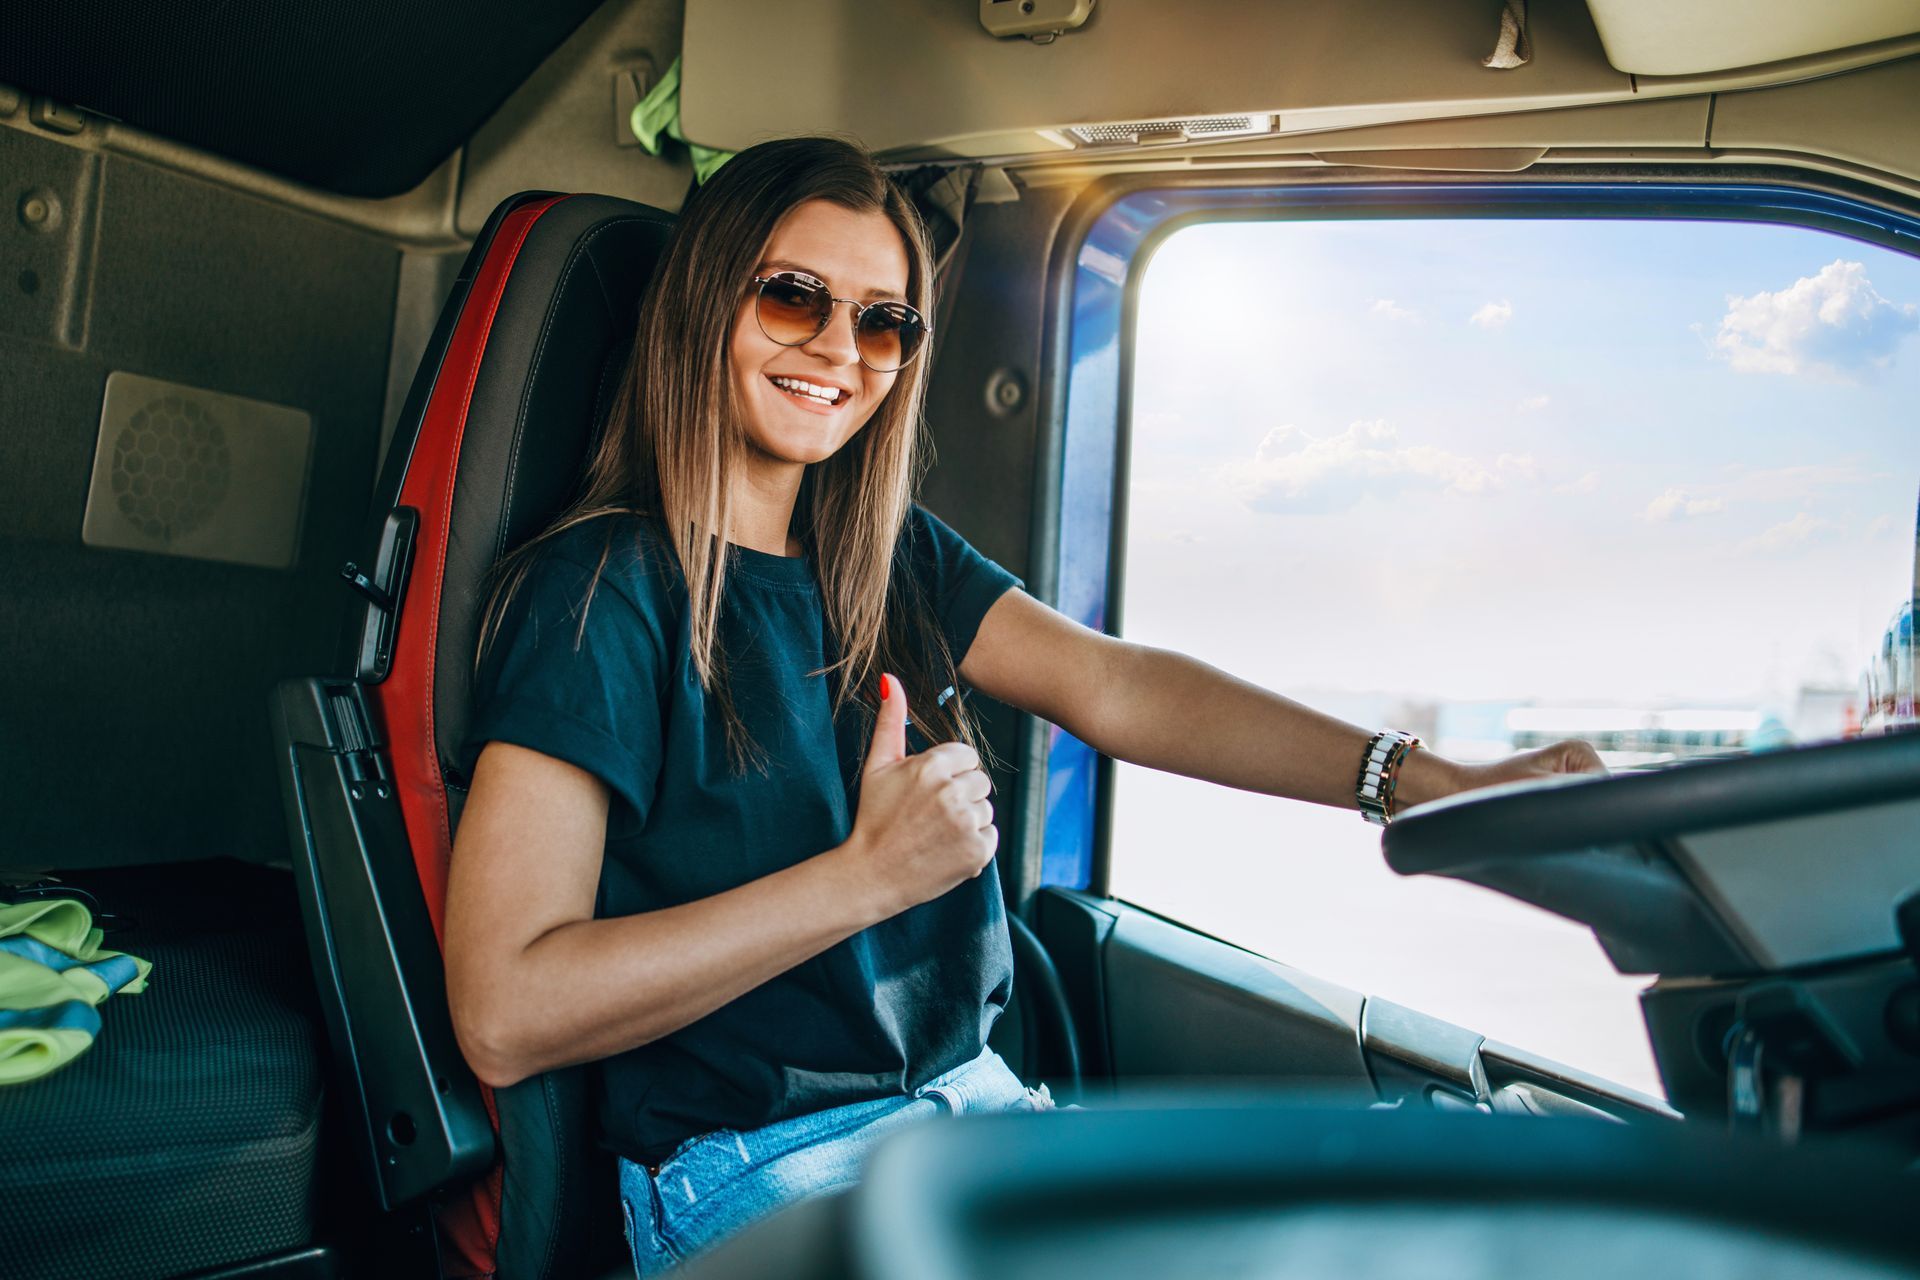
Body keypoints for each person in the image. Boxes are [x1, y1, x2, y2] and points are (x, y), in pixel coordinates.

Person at [442, 136, 1601, 1275]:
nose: (840, 352)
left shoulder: (884, 555)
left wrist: (1424, 781)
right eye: (795, 299)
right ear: (705, 304)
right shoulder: (600, 590)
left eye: (882, 321)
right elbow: (505, 1005)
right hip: (761, 1169)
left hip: (974, 1112)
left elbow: (1114, 682)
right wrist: (865, 878)